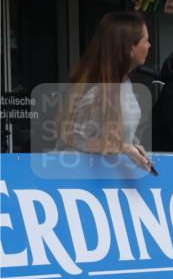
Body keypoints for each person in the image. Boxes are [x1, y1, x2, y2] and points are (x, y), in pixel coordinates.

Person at [59, 11, 155, 172]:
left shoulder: (125, 84)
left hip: (108, 178)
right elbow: (75, 139)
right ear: (130, 48)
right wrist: (124, 148)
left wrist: (132, 148)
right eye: (146, 41)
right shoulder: (96, 90)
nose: (149, 45)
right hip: (78, 180)